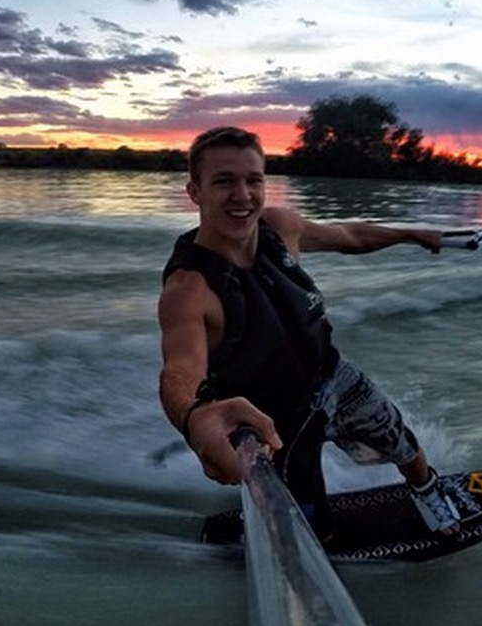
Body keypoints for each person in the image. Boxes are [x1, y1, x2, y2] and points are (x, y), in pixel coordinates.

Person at [157, 125, 461, 539]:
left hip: (333, 376)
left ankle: (427, 490)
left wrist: (411, 234)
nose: (242, 195)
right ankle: (291, 529)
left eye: (253, 180)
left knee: (402, 443)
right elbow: (179, 372)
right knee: (309, 526)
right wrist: (196, 417)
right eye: (224, 182)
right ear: (195, 191)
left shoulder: (280, 227)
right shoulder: (188, 289)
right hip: (273, 416)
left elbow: (351, 236)